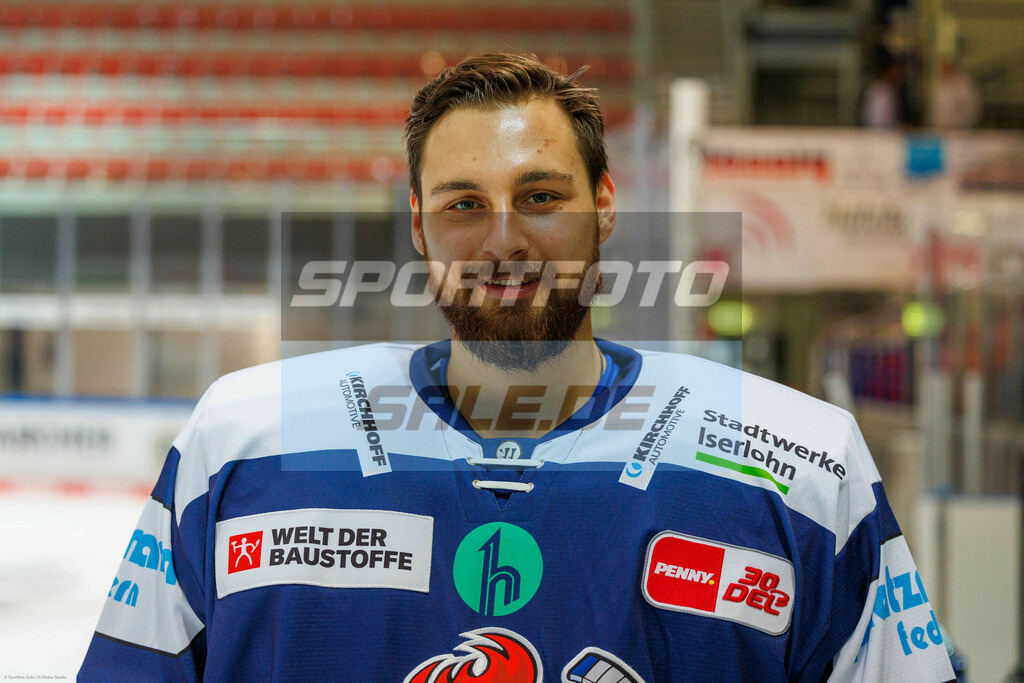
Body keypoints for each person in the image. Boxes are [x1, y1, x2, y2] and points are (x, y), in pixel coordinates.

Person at [80, 52, 955, 681]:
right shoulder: (237, 446)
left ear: (603, 208)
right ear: (420, 227)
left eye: (541, 196)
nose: (504, 238)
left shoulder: (804, 466)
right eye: (466, 206)